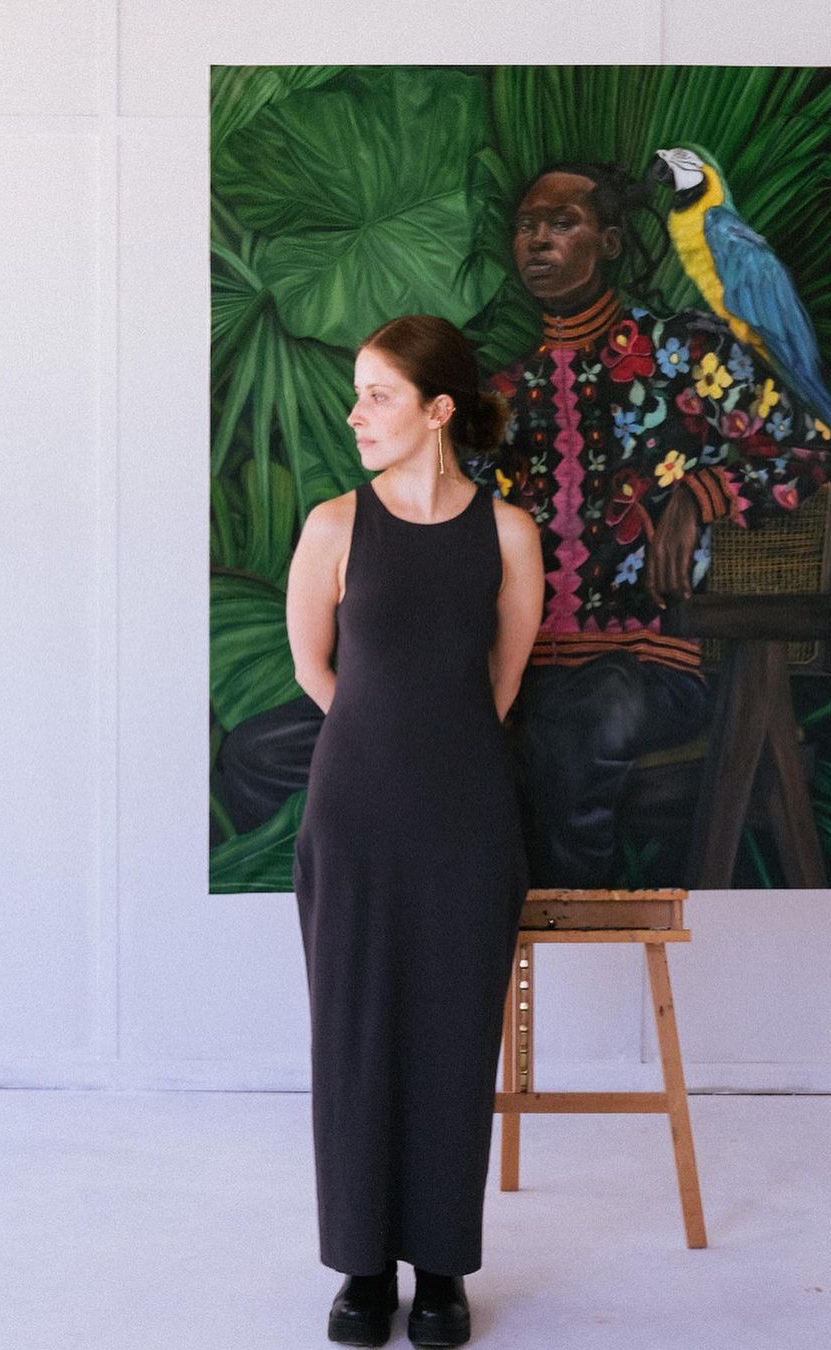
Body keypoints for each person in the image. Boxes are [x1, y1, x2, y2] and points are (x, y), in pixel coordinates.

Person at [468, 163, 831, 887]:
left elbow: (810, 448)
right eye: (526, 227)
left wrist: (704, 491)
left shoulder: (689, 354)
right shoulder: (505, 395)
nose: (538, 241)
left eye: (562, 224)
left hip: (655, 673)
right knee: (284, 743)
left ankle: (572, 927)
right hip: (521, 672)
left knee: (584, 713)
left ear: (610, 242)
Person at [286, 315, 544, 1348]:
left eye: (378, 395)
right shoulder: (333, 526)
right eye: (357, 394)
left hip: (467, 820)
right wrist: (380, 740)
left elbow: (500, 683)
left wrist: (436, 750)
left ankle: (441, 1269)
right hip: (353, 817)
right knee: (353, 1037)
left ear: (438, 410)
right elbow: (314, 668)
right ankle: (361, 1267)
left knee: (453, 1036)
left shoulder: (509, 534)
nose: (356, 415)